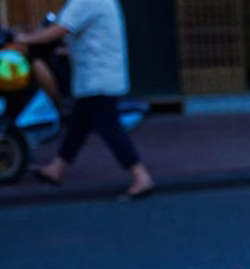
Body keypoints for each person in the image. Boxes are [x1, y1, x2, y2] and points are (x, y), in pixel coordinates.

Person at [16, 0, 152, 198]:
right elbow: (87, 33)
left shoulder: (85, 1)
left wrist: (25, 39)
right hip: (99, 75)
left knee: (110, 129)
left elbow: (61, 29)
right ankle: (58, 167)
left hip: (97, 78)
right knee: (78, 124)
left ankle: (140, 175)